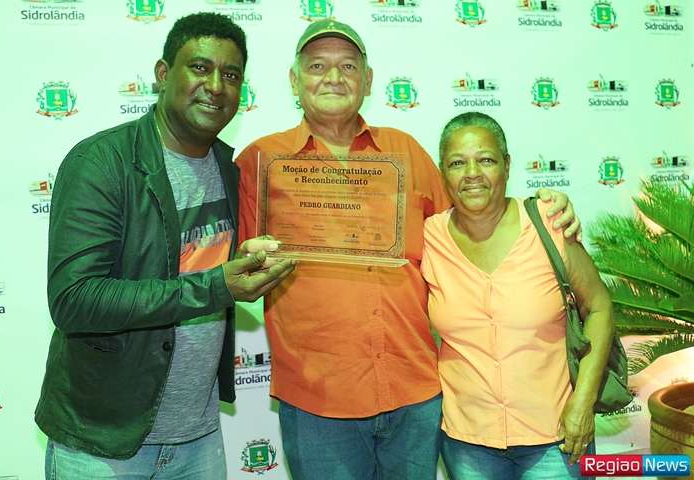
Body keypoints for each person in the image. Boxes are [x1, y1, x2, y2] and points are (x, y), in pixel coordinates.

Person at [236, 20, 581, 479]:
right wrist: (250, 262)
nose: (333, 77)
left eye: (348, 66)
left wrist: (544, 208)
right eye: (317, 66)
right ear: (294, 81)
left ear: (368, 80)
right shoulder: (260, 162)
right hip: (318, 401)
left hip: (413, 393)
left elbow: (471, 222)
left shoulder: (406, 153)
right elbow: (237, 273)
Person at [35, 12, 294, 479]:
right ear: (162, 74)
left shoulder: (229, 167)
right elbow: (74, 299)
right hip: (104, 441)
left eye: (231, 75)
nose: (215, 86)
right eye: (200, 67)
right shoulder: (102, 163)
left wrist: (244, 265)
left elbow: (193, 264)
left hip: (199, 436)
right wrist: (217, 287)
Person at [421, 112, 614, 479]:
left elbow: (599, 307)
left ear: (507, 165)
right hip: (467, 443)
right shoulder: (430, 236)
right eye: (458, 163)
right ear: (443, 172)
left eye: (486, 160)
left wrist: (583, 402)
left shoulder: (548, 223)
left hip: (556, 438)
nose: (472, 173)